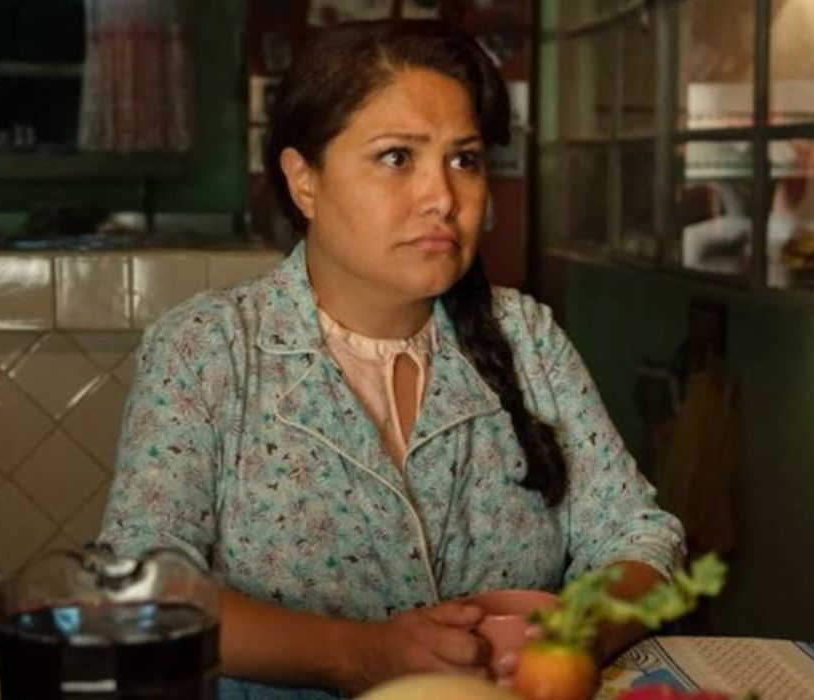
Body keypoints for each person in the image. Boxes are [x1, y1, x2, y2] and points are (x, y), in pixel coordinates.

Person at [99, 19, 684, 699]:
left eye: (464, 159)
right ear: (304, 180)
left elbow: (638, 536)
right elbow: (141, 591)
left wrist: (575, 637)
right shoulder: (206, 351)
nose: (443, 197)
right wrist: (359, 654)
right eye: (397, 157)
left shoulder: (526, 338)